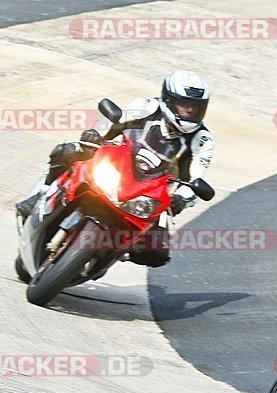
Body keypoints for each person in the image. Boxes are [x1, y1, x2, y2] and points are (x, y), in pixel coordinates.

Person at [15, 71, 214, 267]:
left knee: (156, 252)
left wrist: (181, 199)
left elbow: (196, 179)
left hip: (152, 192)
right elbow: (112, 121)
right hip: (117, 164)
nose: (189, 111)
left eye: (195, 107)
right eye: (185, 104)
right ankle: (38, 195)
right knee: (66, 152)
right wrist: (94, 133)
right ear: (169, 99)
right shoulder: (147, 106)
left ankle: (114, 254)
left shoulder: (203, 140)